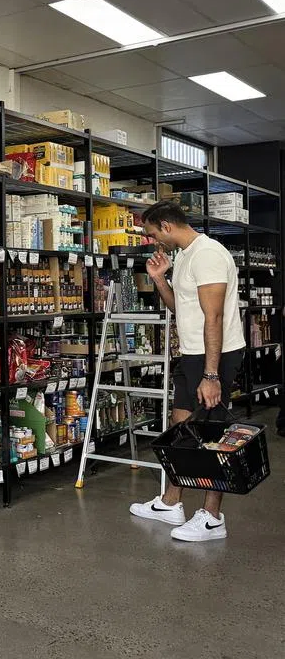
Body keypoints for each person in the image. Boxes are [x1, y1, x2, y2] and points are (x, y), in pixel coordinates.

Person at [128, 201, 245, 541]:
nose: (153, 241)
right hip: (193, 353)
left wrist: (211, 376)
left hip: (216, 356)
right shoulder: (184, 257)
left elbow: (215, 317)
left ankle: (212, 517)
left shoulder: (208, 254)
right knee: (180, 429)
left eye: (152, 234)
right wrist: (159, 279)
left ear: (166, 226)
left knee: (212, 433)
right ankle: (171, 502)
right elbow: (181, 309)